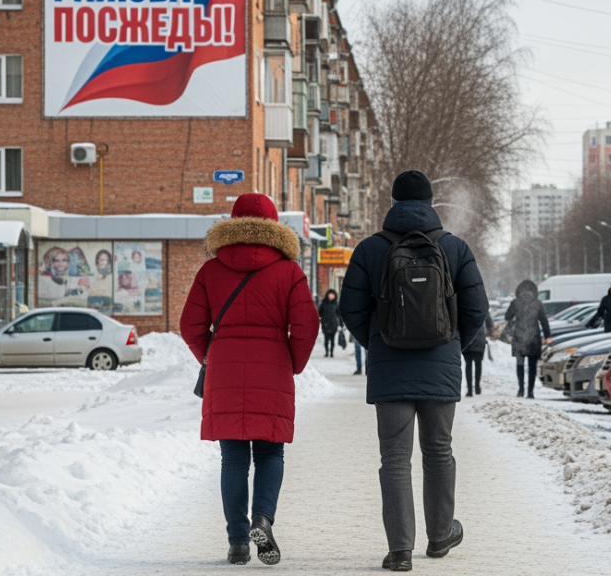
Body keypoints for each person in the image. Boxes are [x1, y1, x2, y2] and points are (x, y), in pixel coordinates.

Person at [340, 170, 487, 572]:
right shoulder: (454, 247)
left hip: (390, 370)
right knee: (438, 452)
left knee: (394, 458)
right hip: (441, 367)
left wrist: (378, 342)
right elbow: (477, 309)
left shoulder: (370, 248)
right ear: (430, 202)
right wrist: (451, 343)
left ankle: (400, 551)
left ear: (393, 202)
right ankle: (440, 537)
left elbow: (350, 309)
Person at [180, 193, 319, 567]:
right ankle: (263, 519)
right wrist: (292, 361)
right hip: (272, 369)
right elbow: (307, 325)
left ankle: (238, 543)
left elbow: (190, 325)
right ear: (274, 227)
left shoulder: (211, 271)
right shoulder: (290, 272)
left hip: (224, 373)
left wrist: (211, 354)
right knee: (271, 452)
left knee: (233, 459)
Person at [503, 280, 551, 398]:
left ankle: (521, 389)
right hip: (533, 337)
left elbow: (507, 317)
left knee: (520, 364)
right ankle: (530, 392)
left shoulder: (515, 302)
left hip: (519, 336)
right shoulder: (537, 303)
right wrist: (547, 336)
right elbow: (544, 321)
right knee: (532, 366)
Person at [462, 312, 496, 397]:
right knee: (478, 364)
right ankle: (477, 387)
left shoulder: (464, 306)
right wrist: (488, 332)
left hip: (467, 337)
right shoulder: (483, 307)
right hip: (479, 338)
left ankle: (470, 390)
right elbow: (490, 324)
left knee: (468, 364)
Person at [319, 289, 341, 358]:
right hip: (325, 323)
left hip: (333, 323)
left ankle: (331, 352)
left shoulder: (336, 304)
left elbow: (339, 314)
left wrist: (341, 324)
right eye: (330, 294)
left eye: (332, 295)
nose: (331, 296)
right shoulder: (324, 303)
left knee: (332, 339)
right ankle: (326, 352)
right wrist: (322, 318)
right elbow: (320, 312)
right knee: (326, 339)